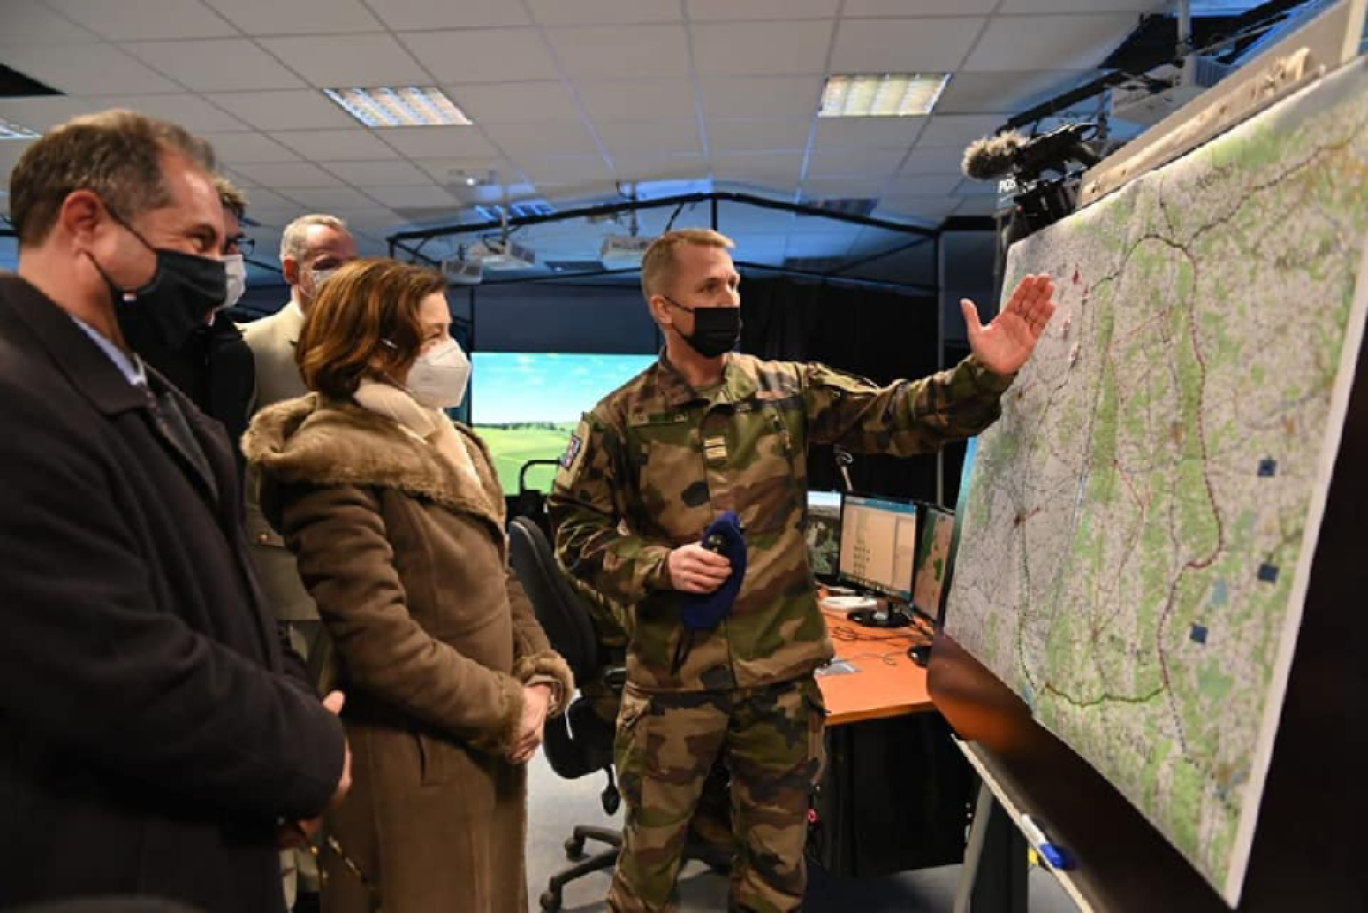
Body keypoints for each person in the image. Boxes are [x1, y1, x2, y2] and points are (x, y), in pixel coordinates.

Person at [549, 228, 1056, 911]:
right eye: (709, 288)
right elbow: (572, 529)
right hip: (675, 683)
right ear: (663, 308)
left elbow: (895, 416)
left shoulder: (785, 390)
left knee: (777, 874)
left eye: (733, 284)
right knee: (647, 872)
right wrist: (658, 564)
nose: (729, 298)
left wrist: (982, 373)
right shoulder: (618, 420)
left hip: (779, 680)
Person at [0, 110, 349, 912]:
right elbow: (109, 660)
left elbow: (239, 600)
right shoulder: (17, 399)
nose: (214, 269)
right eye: (195, 243)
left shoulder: (166, 404)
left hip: (208, 829)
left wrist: (293, 719)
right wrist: (304, 751)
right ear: (86, 221)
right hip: (94, 863)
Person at [242, 258, 575, 913]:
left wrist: (538, 676)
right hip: (411, 757)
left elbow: (499, 571)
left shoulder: (451, 442)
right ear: (372, 344)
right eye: (430, 336)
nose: (449, 352)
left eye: (448, 331)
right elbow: (380, 641)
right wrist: (511, 707)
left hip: (483, 743)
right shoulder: (333, 460)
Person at [118, 175, 255, 477]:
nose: (233, 256)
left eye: (236, 241)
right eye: (209, 240)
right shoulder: (115, 344)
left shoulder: (232, 350)